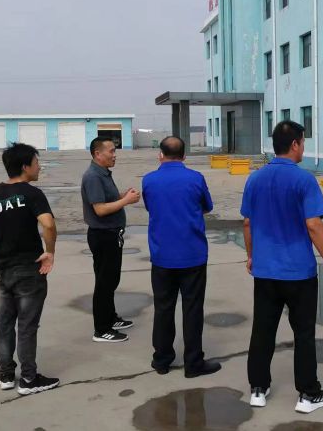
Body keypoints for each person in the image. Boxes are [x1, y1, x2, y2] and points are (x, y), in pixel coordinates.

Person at [241, 120, 323, 414]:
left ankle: (258, 389)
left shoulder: (255, 179)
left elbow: (248, 223)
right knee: (303, 333)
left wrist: (251, 255)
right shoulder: (303, 180)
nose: (304, 148)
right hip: (298, 272)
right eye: (303, 142)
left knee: (262, 330)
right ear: (295, 144)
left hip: (265, 271)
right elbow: (314, 225)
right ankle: (308, 394)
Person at [0, 143, 59, 395]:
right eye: (36, 162)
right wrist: (50, 252)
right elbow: (48, 224)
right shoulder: (32, 193)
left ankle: (6, 374)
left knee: (5, 322)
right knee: (27, 325)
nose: (39, 167)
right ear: (25, 166)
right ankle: (29, 379)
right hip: (29, 270)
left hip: (3, 269)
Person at [141, 136, 221, 378]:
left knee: (163, 308)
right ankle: (193, 363)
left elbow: (150, 207)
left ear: (160, 155)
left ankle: (162, 360)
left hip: (162, 255)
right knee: (192, 309)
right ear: (185, 156)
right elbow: (207, 206)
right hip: (192, 255)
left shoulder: (149, 180)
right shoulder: (196, 178)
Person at [81, 137, 140, 343]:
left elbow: (107, 200)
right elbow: (100, 209)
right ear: (98, 154)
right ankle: (102, 329)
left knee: (111, 280)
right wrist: (126, 201)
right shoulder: (93, 176)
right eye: (111, 151)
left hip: (111, 234)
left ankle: (110, 317)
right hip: (103, 235)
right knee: (104, 283)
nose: (115, 155)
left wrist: (123, 195)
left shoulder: (103, 173)